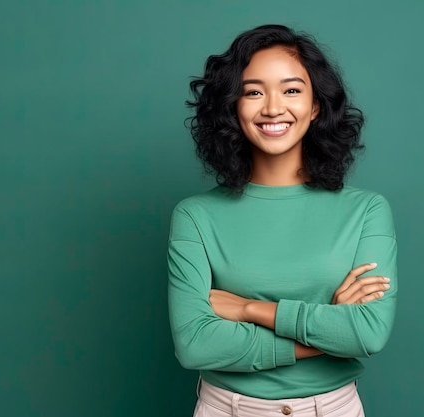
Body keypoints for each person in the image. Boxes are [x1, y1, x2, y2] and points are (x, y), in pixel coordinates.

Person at [167, 24, 397, 417]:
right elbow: (195, 343)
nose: (273, 107)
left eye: (291, 90)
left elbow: (368, 333)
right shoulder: (195, 215)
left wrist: (247, 310)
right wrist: (325, 330)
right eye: (253, 92)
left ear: (316, 106)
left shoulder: (367, 211)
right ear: (232, 106)